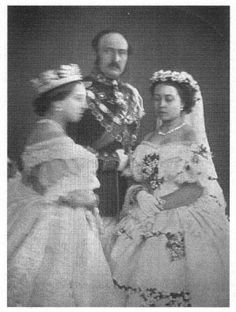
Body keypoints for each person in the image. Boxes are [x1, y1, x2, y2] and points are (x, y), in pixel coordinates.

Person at [109, 70, 229, 307]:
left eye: (169, 98)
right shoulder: (150, 135)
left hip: (182, 215)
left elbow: (196, 188)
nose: (161, 104)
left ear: (183, 102)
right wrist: (139, 193)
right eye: (156, 98)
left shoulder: (191, 136)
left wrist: (157, 206)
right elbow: (138, 177)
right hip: (144, 211)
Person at [7, 64, 120, 307]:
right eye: (78, 99)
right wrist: (92, 200)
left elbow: (43, 181)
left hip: (39, 212)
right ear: (58, 102)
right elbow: (71, 194)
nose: (84, 105)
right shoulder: (56, 138)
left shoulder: (42, 130)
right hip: (59, 224)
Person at [67, 30, 144, 221]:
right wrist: (111, 162)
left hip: (128, 191)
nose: (116, 58)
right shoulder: (79, 91)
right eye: (109, 51)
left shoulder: (132, 95)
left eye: (122, 52)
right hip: (89, 189)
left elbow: (134, 147)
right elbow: (67, 151)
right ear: (96, 53)